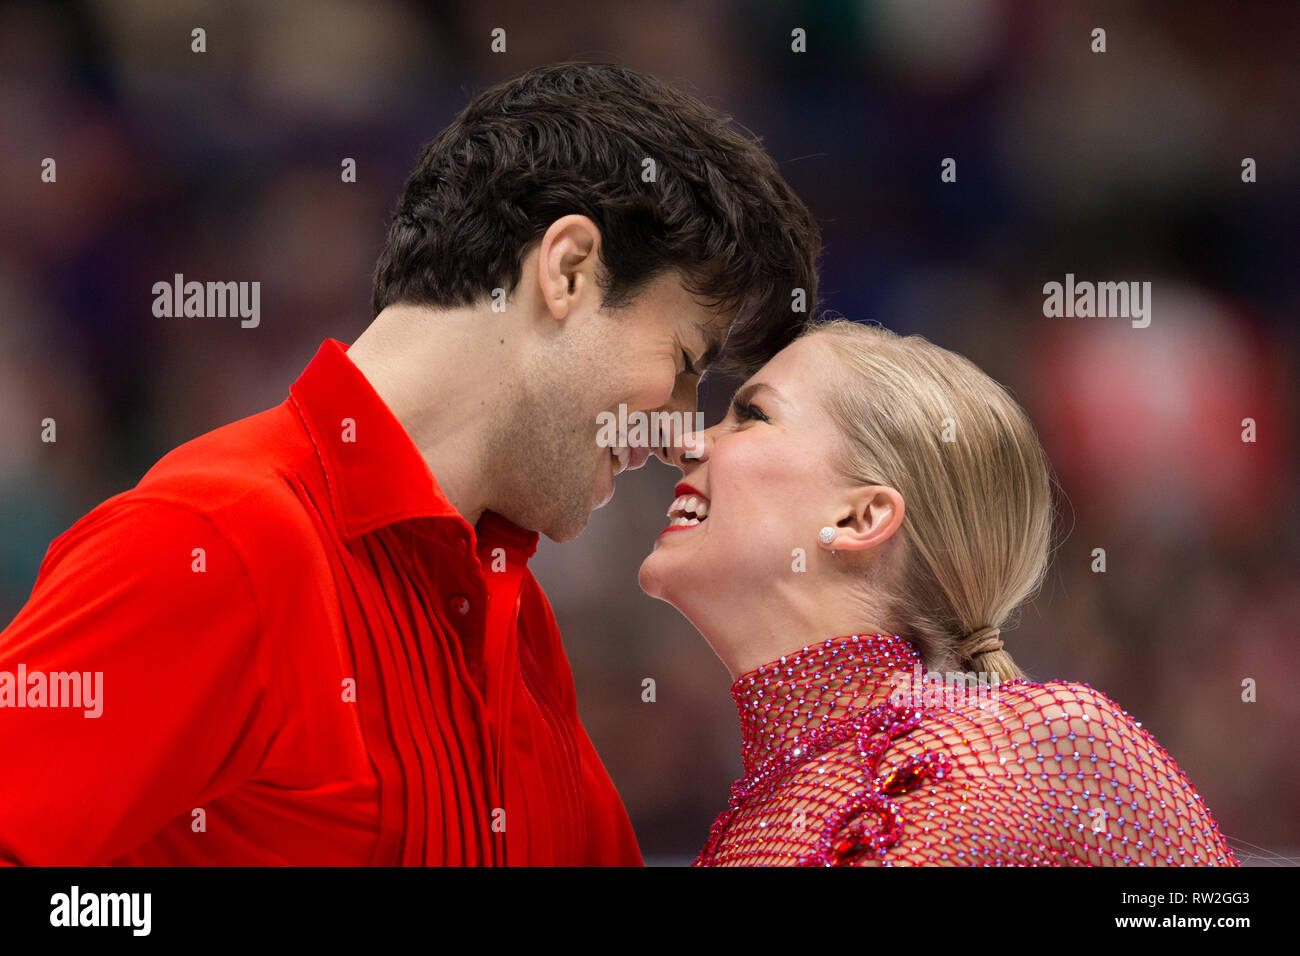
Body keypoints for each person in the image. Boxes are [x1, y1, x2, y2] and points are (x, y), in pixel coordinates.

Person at [0, 62, 821, 865]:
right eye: (681, 363)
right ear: (568, 269)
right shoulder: (214, 545)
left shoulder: (518, 620)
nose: (684, 433)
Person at [640, 318, 1238, 866]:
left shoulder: (1046, 744)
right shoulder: (744, 830)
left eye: (752, 415)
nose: (688, 443)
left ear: (860, 518)